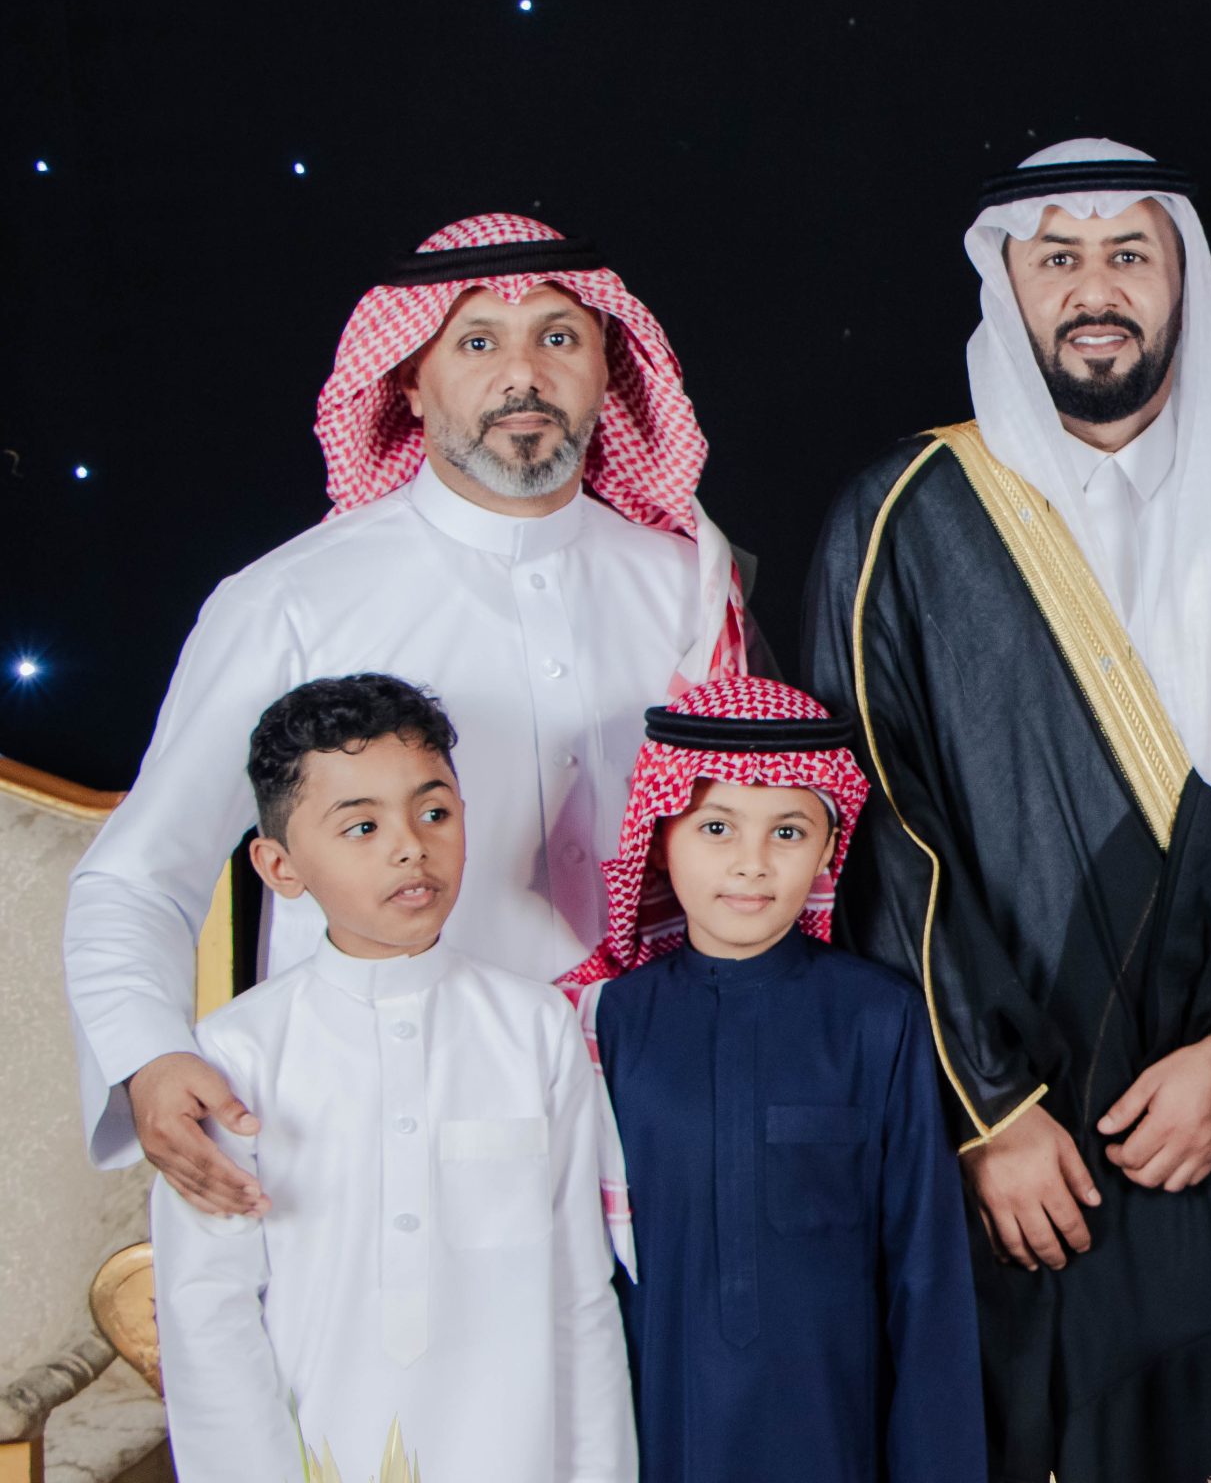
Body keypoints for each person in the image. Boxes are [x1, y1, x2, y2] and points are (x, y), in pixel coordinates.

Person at [802, 139, 1211, 1483]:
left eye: (1130, 252)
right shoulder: (902, 515)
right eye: (1057, 255)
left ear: (1185, 276)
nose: (1094, 286)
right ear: (1008, 283)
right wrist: (990, 1112)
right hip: (1021, 1143)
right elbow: (875, 832)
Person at [65, 213, 751, 1225]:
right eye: (476, 342)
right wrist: (149, 1056)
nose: (522, 375)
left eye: (558, 336)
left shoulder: (687, 586)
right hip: (379, 1139)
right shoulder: (291, 601)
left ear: (610, 368)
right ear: (409, 381)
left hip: (664, 1122)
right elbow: (139, 874)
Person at [152, 675, 633, 1483]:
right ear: (279, 866)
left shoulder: (535, 1029)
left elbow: (579, 1287)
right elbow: (207, 1321)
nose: (411, 845)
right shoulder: (233, 1056)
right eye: (361, 825)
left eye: (434, 811)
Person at [557, 676, 985, 1483]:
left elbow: (926, 1272)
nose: (751, 864)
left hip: (827, 1451)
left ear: (830, 846)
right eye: (717, 827)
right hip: (650, 1449)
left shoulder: (876, 1018)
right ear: (660, 835)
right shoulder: (603, 1025)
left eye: (788, 832)